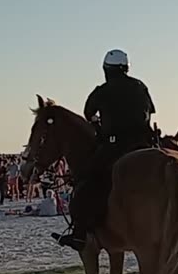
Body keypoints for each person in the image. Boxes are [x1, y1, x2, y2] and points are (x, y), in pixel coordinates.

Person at [54, 49, 156, 251]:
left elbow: (89, 114)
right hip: (143, 143)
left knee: (85, 182)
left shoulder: (102, 90)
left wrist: (101, 126)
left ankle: (79, 235)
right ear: (126, 68)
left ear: (106, 69)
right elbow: (149, 112)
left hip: (115, 145)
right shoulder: (139, 86)